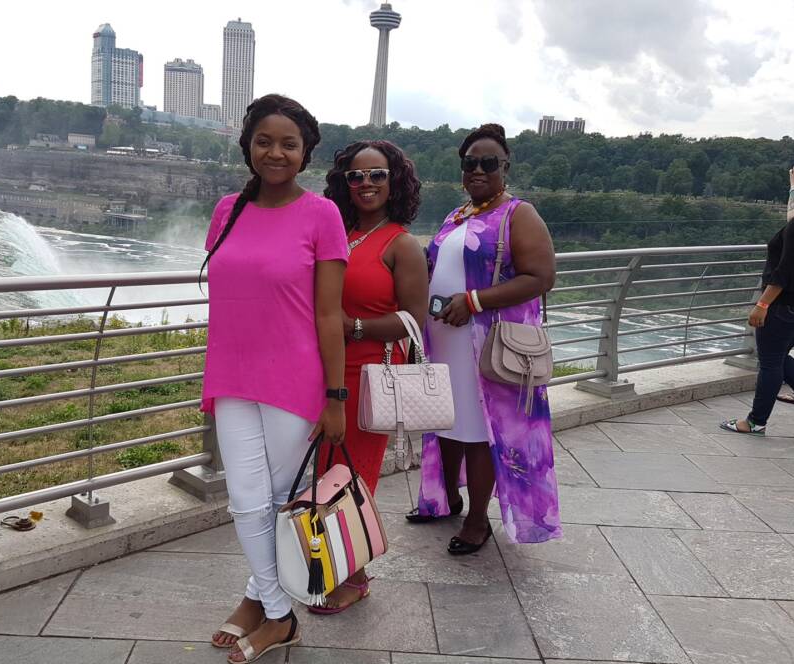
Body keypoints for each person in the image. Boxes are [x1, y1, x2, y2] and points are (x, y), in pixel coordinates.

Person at [202, 94, 348, 663]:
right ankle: (275, 611)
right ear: (248, 146)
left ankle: (265, 608)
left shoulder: (322, 215)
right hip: (232, 373)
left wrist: (335, 397)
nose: (276, 152)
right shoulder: (226, 210)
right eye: (264, 141)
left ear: (305, 152)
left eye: (289, 143)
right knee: (246, 501)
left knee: (274, 502)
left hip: (294, 379)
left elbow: (329, 315)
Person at [406, 123, 562, 552]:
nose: (477, 169)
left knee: (478, 431)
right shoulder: (458, 214)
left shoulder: (518, 214)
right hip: (446, 340)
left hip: (487, 345)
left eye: (488, 162)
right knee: (447, 422)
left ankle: (477, 520)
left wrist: (474, 301)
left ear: (505, 167)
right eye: (470, 162)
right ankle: (447, 499)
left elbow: (542, 276)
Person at [317, 140, 428, 612]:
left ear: (394, 181)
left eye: (377, 174)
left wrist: (354, 327)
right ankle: (328, 563)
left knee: (352, 476)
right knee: (322, 473)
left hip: (368, 376)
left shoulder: (401, 244)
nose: (366, 183)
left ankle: (355, 575)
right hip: (321, 368)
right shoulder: (337, 232)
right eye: (356, 176)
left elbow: (414, 320)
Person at [721, 165, 794, 434]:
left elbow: (785, 271)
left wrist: (762, 304)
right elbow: (793, 219)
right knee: (779, 357)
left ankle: (755, 422)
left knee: (770, 363)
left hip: (783, 305)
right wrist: (793, 187)